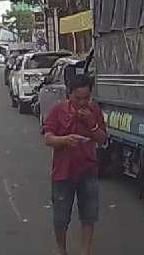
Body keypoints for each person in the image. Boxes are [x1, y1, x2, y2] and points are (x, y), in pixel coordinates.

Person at [42, 75, 108, 255]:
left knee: (89, 215)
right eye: (78, 98)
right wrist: (64, 140)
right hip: (63, 172)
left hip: (88, 170)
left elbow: (102, 139)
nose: (82, 102)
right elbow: (48, 138)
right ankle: (61, 250)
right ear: (69, 95)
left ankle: (85, 251)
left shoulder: (94, 110)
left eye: (86, 98)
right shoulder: (58, 111)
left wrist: (91, 124)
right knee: (61, 218)